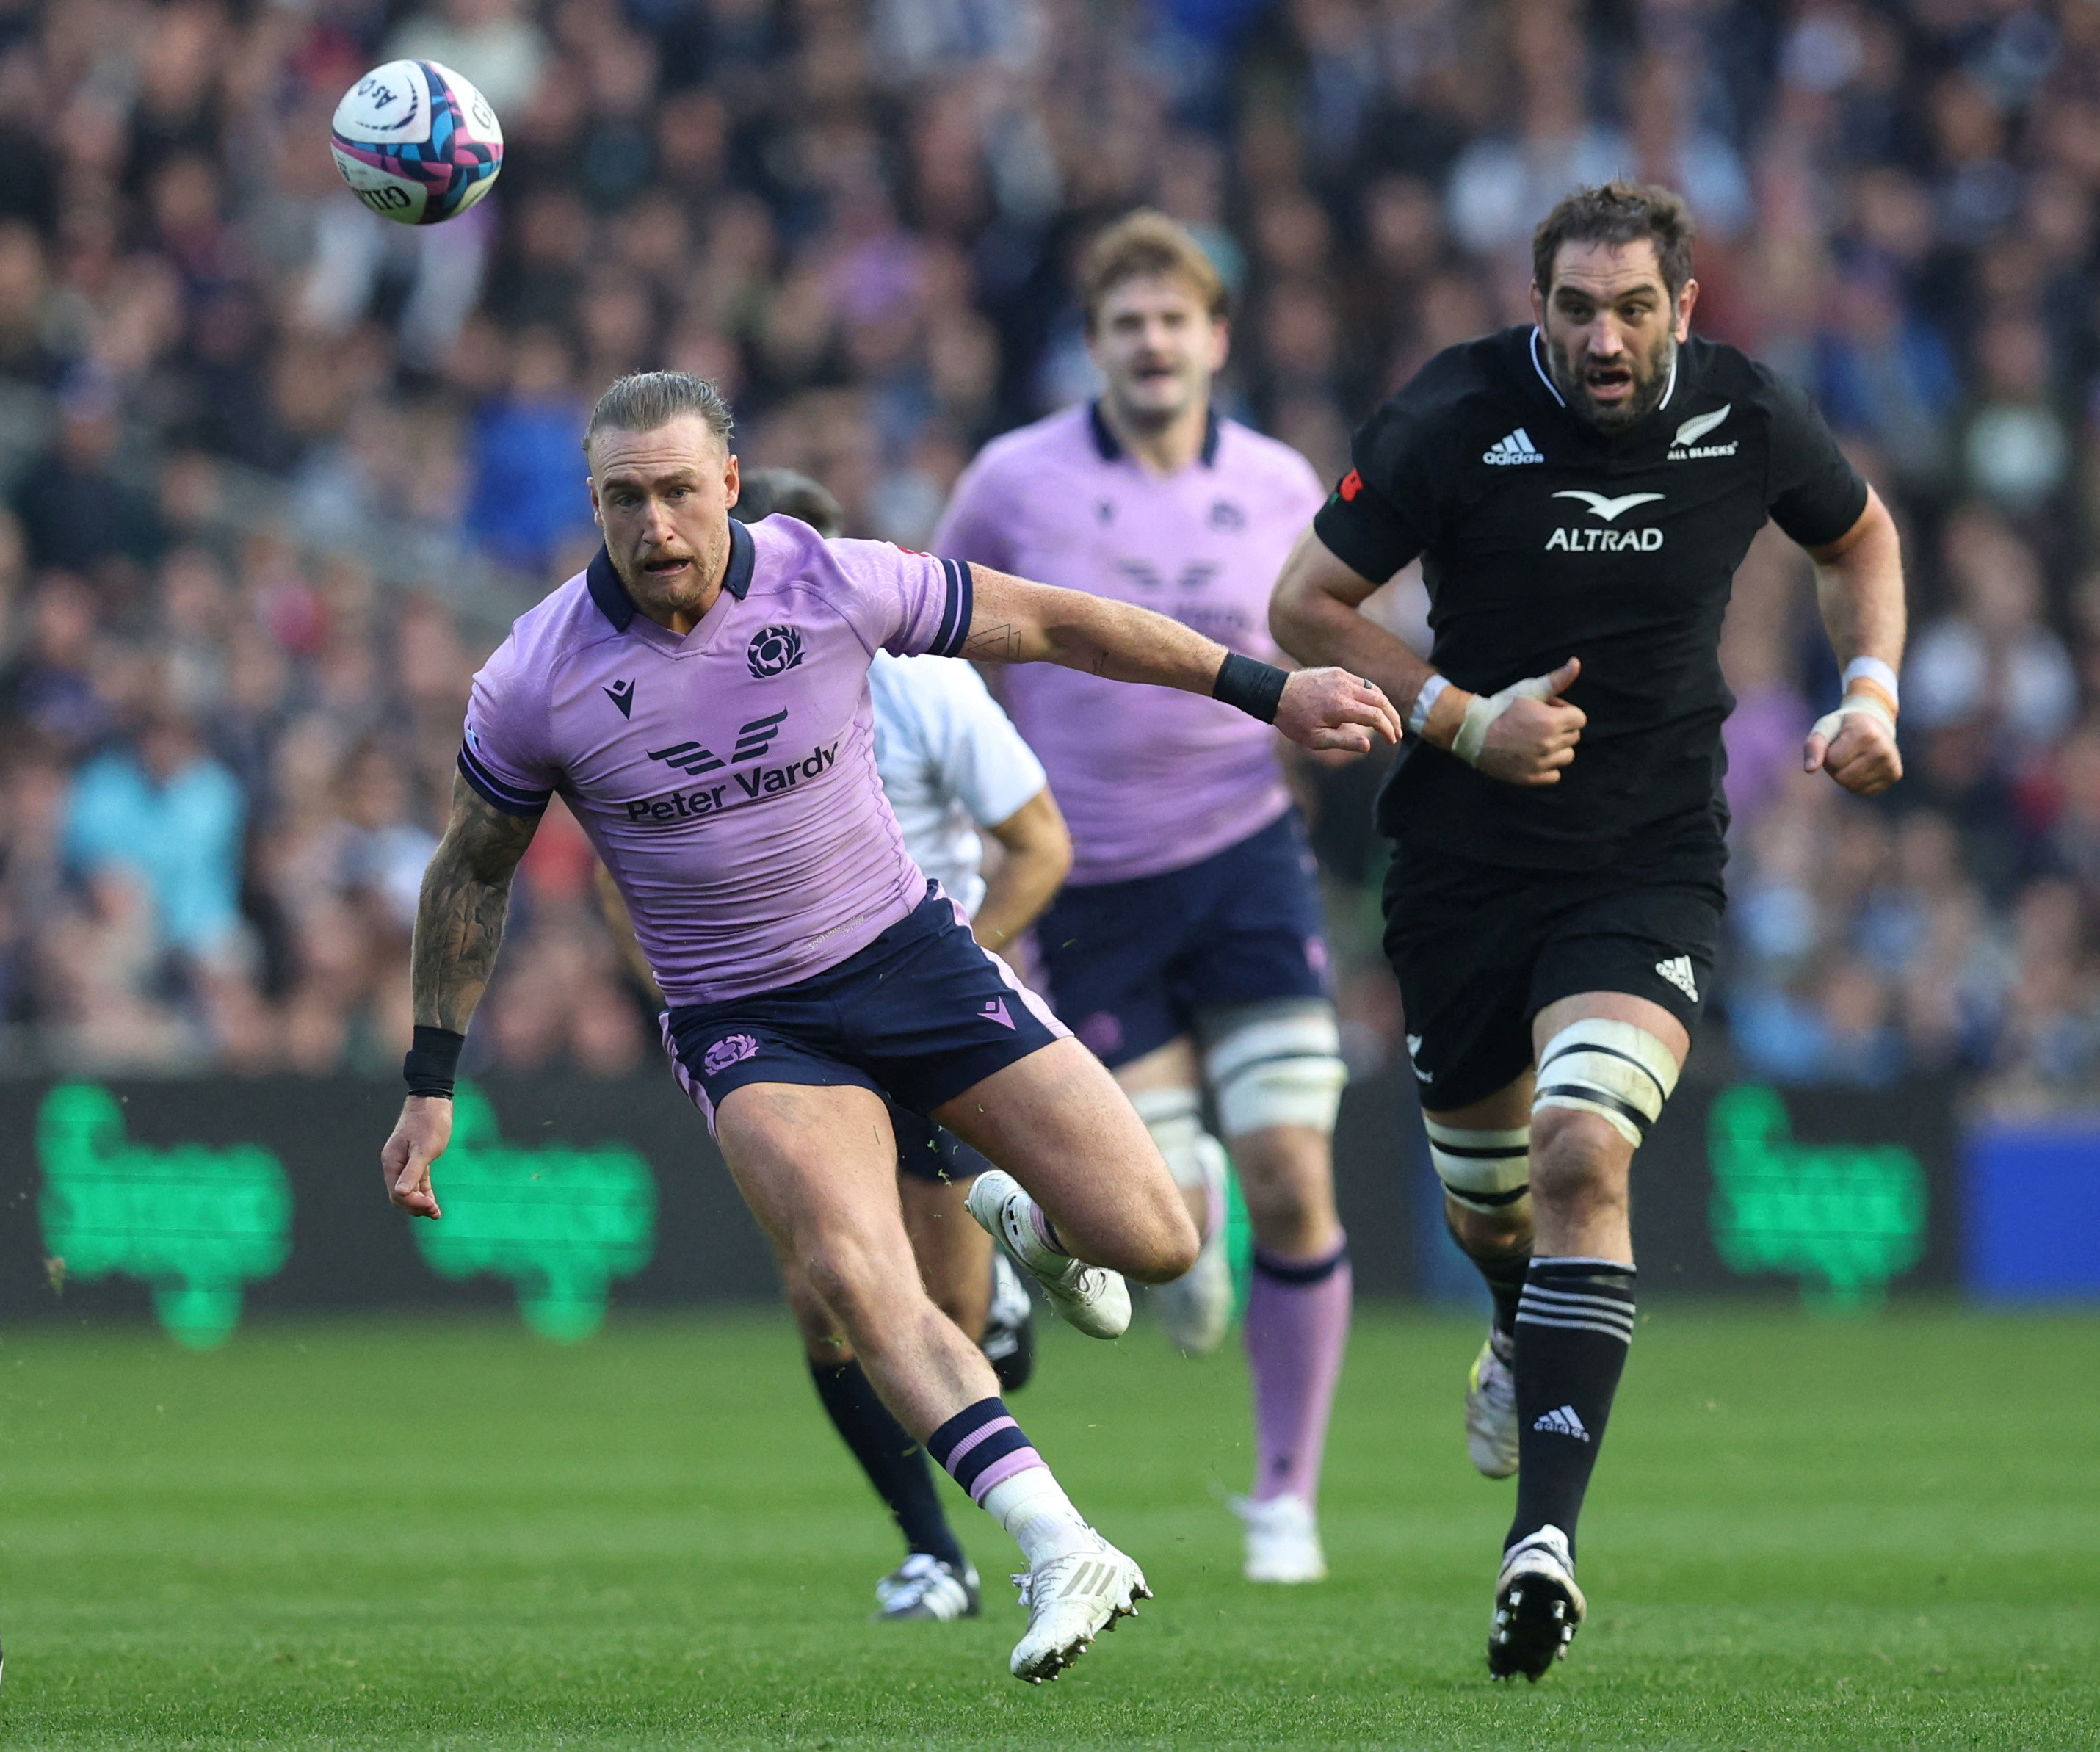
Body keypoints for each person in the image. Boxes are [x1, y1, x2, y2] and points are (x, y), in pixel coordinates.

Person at [379, 371, 1398, 1684]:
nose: (656, 523)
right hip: (747, 1018)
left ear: (729, 484)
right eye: (625, 498)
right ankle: (1059, 1542)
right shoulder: (535, 676)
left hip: (911, 956)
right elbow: (472, 867)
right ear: (594, 504)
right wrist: (430, 1077)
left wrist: (1272, 692)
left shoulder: (831, 581)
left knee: (1157, 1237)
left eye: (679, 489)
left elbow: (1055, 624)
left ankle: (1023, 1217)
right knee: (855, 1275)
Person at [1268, 182, 1904, 1679]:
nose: (1602, 338)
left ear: (1682, 308)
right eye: (1574, 308)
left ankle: (1539, 1542)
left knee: (1579, 1148)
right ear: (1534, 304)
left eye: (1631, 309)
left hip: (1645, 858)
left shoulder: (1744, 411)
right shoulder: (1451, 415)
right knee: (1493, 1211)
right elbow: (1305, 601)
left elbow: (1857, 536)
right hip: (1459, 870)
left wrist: (1869, 687)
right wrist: (1454, 715)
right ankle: (1514, 1325)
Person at [933, 211, 1353, 1587]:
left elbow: (1338, 629)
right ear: (1096, 346)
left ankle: (1284, 1497)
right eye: (1128, 323)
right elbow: (944, 648)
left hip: (1244, 855)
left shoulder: (1286, 480)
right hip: (1094, 887)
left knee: (1298, 1170)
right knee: (1153, 1225)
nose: (1154, 343)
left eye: (1176, 319)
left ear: (1217, 338)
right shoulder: (1014, 480)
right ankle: (1194, 1203)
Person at [734, 466, 1072, 1623]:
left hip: (921, 1007)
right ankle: (937, 1550)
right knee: (824, 1291)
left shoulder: (928, 690)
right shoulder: (709, 700)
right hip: (788, 1021)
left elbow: (1039, 846)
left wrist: (943, 970)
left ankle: (1009, 1290)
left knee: (947, 1311)